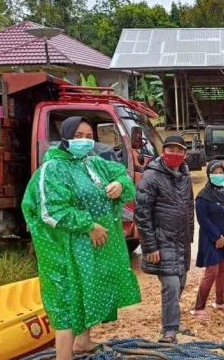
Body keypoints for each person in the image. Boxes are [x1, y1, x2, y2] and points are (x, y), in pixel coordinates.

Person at [21, 116, 141, 360]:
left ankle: (82, 342)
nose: (84, 141)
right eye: (78, 136)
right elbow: (50, 210)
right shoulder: (53, 168)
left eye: (89, 137)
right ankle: (63, 355)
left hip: (91, 246)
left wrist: (119, 184)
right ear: (65, 137)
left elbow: (124, 178)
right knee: (66, 296)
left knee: (91, 288)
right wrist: (88, 226)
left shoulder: (93, 163)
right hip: (65, 247)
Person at [135, 135, 195, 344]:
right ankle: (169, 331)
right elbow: (142, 213)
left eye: (180, 151)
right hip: (162, 241)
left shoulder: (185, 175)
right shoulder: (151, 176)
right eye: (171, 149)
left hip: (181, 242)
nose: (175, 154)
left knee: (181, 281)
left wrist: (190, 236)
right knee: (170, 284)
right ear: (163, 152)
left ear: (185, 155)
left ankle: (173, 322)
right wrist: (150, 246)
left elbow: (189, 207)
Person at [190, 160, 224, 321]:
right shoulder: (203, 197)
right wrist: (217, 238)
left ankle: (220, 302)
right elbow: (203, 220)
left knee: (223, 270)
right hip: (211, 239)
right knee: (212, 272)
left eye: (220, 172)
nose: (218, 175)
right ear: (209, 175)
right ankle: (199, 307)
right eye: (215, 172)